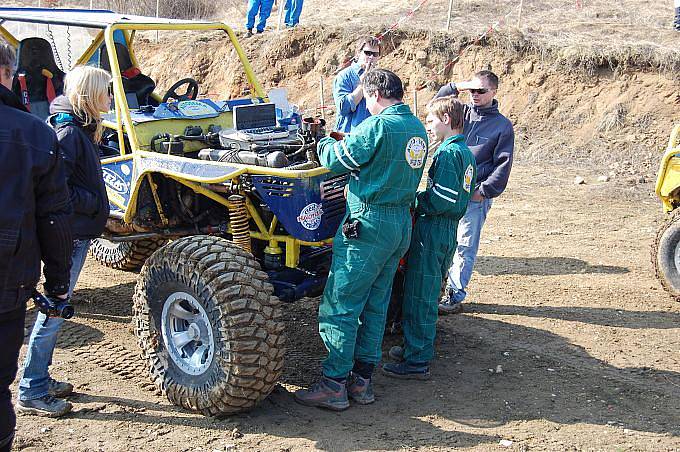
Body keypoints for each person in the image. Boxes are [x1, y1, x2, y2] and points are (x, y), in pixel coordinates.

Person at [294, 69, 428, 410]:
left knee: (341, 303)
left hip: (369, 222)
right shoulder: (416, 127)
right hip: (399, 223)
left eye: (367, 98)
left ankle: (333, 384)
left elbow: (338, 161)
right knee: (375, 304)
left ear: (375, 95)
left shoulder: (378, 125)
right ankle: (361, 382)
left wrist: (323, 140)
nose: (366, 105)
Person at [18, 66, 111, 417]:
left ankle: (38, 378)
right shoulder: (70, 133)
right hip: (69, 234)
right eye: (106, 91)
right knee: (54, 310)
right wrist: (93, 202)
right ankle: (32, 388)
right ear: (90, 95)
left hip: (75, 231)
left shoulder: (79, 129)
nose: (111, 98)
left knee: (54, 309)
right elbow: (56, 189)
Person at [0, 43, 72, 452]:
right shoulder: (34, 132)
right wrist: (59, 285)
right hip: (8, 276)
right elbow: (54, 220)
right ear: (7, 75)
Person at [382, 96, 476, 380]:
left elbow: (442, 198)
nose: (429, 126)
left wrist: (413, 198)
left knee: (420, 294)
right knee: (429, 289)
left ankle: (417, 360)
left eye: (431, 120)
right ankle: (415, 346)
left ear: (446, 119)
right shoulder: (465, 152)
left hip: (433, 228)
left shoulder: (448, 155)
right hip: (446, 229)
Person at [434, 70, 514, 314]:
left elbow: (503, 164)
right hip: (448, 189)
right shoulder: (462, 113)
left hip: (474, 196)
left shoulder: (502, 126)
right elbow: (438, 103)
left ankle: (454, 294)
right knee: (442, 240)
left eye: (481, 91)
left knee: (465, 244)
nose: (475, 95)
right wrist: (460, 84)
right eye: (472, 90)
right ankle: (437, 288)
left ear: (494, 92)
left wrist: (484, 191)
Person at [332, 36, 381, 133]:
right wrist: (363, 84)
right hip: (348, 135)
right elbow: (343, 108)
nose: (371, 57)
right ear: (358, 53)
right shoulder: (344, 76)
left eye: (375, 54)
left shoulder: (380, 77)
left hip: (370, 135)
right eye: (367, 53)